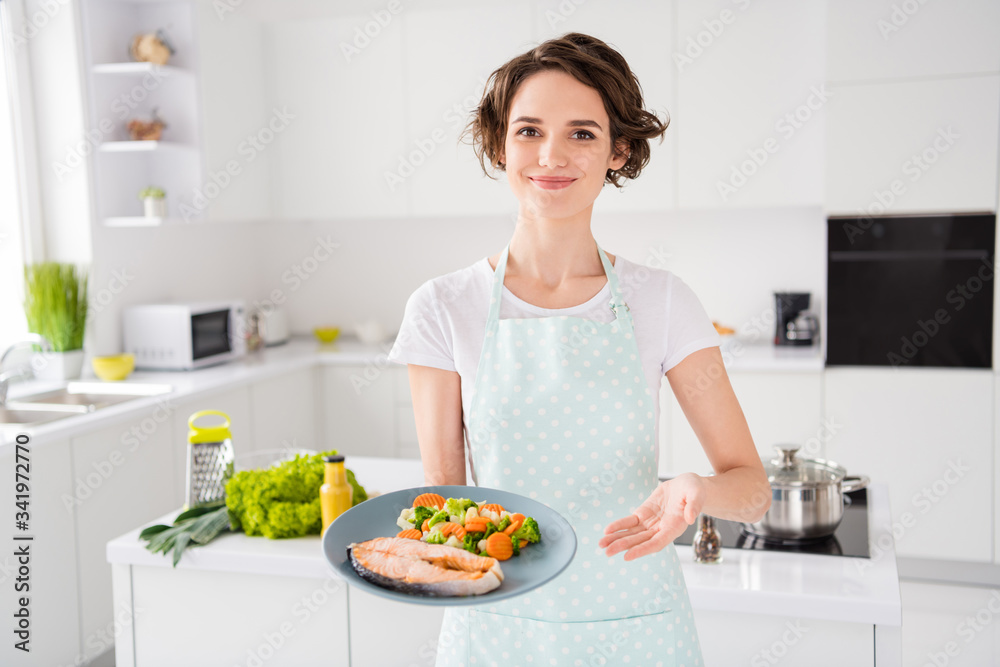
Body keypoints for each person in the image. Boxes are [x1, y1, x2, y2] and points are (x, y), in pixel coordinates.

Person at [387, 32, 771, 667]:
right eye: (529, 131)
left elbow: (751, 489)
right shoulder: (442, 307)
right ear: (499, 144)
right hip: (497, 624)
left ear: (619, 151)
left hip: (638, 626)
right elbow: (443, 499)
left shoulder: (663, 302)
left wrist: (695, 490)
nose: (551, 155)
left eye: (583, 133)